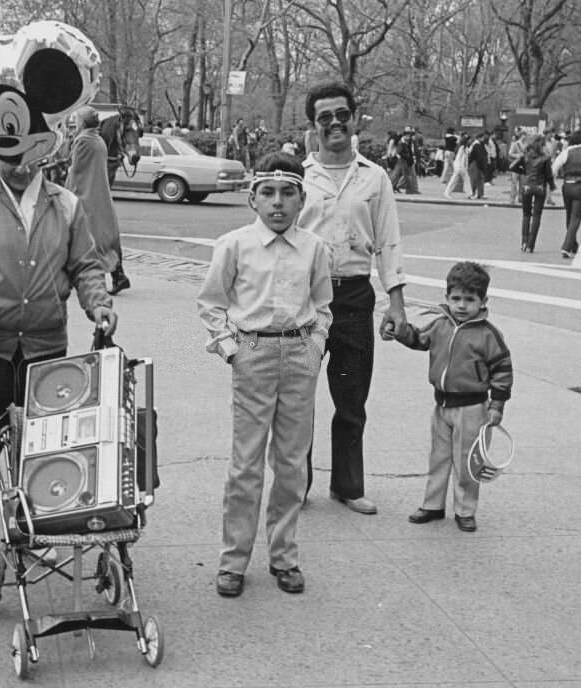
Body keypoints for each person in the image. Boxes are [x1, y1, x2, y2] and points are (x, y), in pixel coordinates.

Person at [0, 158, 118, 567]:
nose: (19, 165)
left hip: (44, 341)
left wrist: (99, 304)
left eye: (28, 154)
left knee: (42, 443)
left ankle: (35, 528)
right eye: (8, 154)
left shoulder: (67, 205)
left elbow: (85, 265)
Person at [197, 152, 332, 598]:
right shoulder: (234, 245)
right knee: (246, 464)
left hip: (298, 354)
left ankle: (284, 555)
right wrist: (232, 350)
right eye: (268, 193)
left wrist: (315, 345)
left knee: (292, 462)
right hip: (252, 354)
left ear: (301, 200)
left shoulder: (314, 248)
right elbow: (211, 303)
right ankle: (234, 559)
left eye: (288, 194)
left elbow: (323, 305)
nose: (278, 203)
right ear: (253, 198)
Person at [298, 82, 408, 515]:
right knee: (298, 400)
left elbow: (389, 242)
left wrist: (396, 304)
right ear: (314, 124)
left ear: (353, 117)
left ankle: (347, 485)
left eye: (341, 114)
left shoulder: (375, 177)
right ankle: (296, 484)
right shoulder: (301, 175)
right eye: (325, 117)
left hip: (356, 297)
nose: (335, 124)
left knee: (351, 397)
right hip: (306, 300)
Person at [384, 261, 513, 533]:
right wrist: (400, 332)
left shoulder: (488, 335)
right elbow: (419, 339)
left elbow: (502, 369)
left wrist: (497, 405)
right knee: (439, 457)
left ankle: (465, 509)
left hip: (473, 407)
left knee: (468, 461)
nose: (462, 305)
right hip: (441, 404)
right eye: (456, 298)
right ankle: (433, 504)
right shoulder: (441, 325)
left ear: (483, 301)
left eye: (469, 299)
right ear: (446, 298)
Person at [66, 106, 128, 294]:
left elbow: (76, 170)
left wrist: (67, 192)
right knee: (106, 237)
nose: (74, 124)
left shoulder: (83, 140)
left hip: (85, 196)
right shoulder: (99, 140)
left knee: (80, 237)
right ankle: (118, 274)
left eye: (76, 120)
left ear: (83, 122)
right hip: (100, 196)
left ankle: (81, 278)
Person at [551, 129, 581, 259]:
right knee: (576, 217)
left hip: (567, 185)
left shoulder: (566, 152)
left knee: (569, 215)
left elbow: (554, 169)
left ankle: (573, 244)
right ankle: (567, 246)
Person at [518, 133, 554, 253]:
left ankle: (523, 242)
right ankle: (530, 245)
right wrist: (552, 186)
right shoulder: (545, 158)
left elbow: (518, 168)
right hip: (539, 187)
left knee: (526, 215)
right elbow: (549, 175)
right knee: (537, 216)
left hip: (526, 186)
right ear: (542, 144)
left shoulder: (525, 156)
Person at [444, 133, 471, 199]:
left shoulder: (461, 147)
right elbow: (461, 158)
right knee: (455, 180)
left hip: (460, 166)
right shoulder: (463, 148)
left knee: (464, 180)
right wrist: (462, 167)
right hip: (460, 166)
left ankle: (469, 194)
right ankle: (447, 192)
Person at [468, 132, 490, 199]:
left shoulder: (479, 144)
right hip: (475, 163)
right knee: (475, 179)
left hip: (477, 163)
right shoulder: (476, 145)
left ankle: (479, 194)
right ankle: (472, 194)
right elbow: (479, 156)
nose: (484, 139)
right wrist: (483, 166)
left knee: (479, 179)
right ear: (479, 138)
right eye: (483, 137)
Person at [507, 133, 525, 204]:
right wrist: (518, 155)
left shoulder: (526, 144)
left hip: (524, 166)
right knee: (514, 183)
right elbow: (510, 153)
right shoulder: (515, 144)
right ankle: (512, 198)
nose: (525, 137)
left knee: (522, 184)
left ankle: (521, 198)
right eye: (524, 136)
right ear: (521, 136)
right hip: (516, 165)